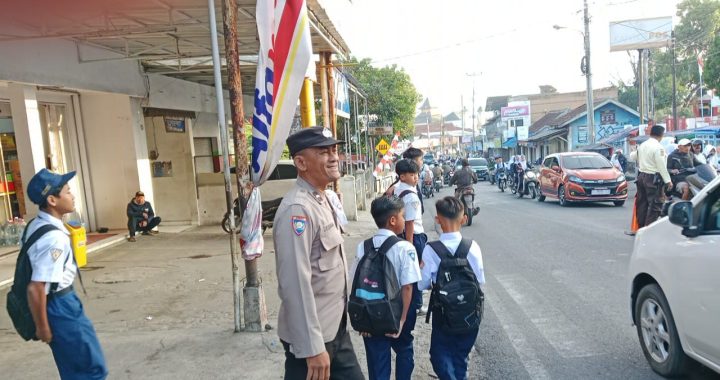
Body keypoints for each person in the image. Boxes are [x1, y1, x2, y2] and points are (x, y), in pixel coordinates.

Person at [273, 126, 363, 380]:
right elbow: (295, 285)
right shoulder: (298, 210)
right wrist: (311, 348)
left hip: (334, 326)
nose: (334, 157)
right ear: (301, 162)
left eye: (334, 150)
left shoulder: (322, 200)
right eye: (323, 152)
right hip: (314, 338)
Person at [25, 169, 108, 379]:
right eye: (68, 192)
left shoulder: (36, 225)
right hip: (60, 306)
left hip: (60, 302)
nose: (73, 196)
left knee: (74, 368)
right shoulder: (53, 239)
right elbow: (36, 287)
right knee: (90, 369)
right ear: (52, 200)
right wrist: (42, 326)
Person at [352, 196, 421, 380]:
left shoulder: (363, 247)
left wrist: (362, 319)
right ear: (392, 220)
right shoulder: (405, 248)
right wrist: (402, 320)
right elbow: (407, 288)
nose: (404, 220)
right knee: (405, 350)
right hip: (397, 313)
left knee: (377, 364)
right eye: (402, 216)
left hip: (370, 313)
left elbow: (355, 283)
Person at [419, 197, 485, 380]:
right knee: (461, 355)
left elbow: (422, 284)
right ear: (464, 218)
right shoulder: (472, 246)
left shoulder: (431, 250)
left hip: (444, 314)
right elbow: (479, 279)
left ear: (437, 219)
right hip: (470, 312)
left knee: (440, 355)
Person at [393, 159, 427, 315]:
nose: (416, 178)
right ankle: (417, 304)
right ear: (402, 176)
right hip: (414, 236)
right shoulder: (411, 196)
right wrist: (410, 246)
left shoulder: (397, 189)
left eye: (417, 174)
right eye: (412, 175)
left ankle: (408, 301)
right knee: (415, 269)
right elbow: (410, 223)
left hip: (399, 235)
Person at [631, 125, 672, 228]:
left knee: (642, 204)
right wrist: (668, 181)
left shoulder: (643, 145)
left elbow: (633, 156)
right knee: (655, 205)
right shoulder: (659, 147)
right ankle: (649, 229)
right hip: (653, 178)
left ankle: (641, 228)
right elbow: (661, 165)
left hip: (641, 176)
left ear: (651, 133)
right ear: (662, 135)